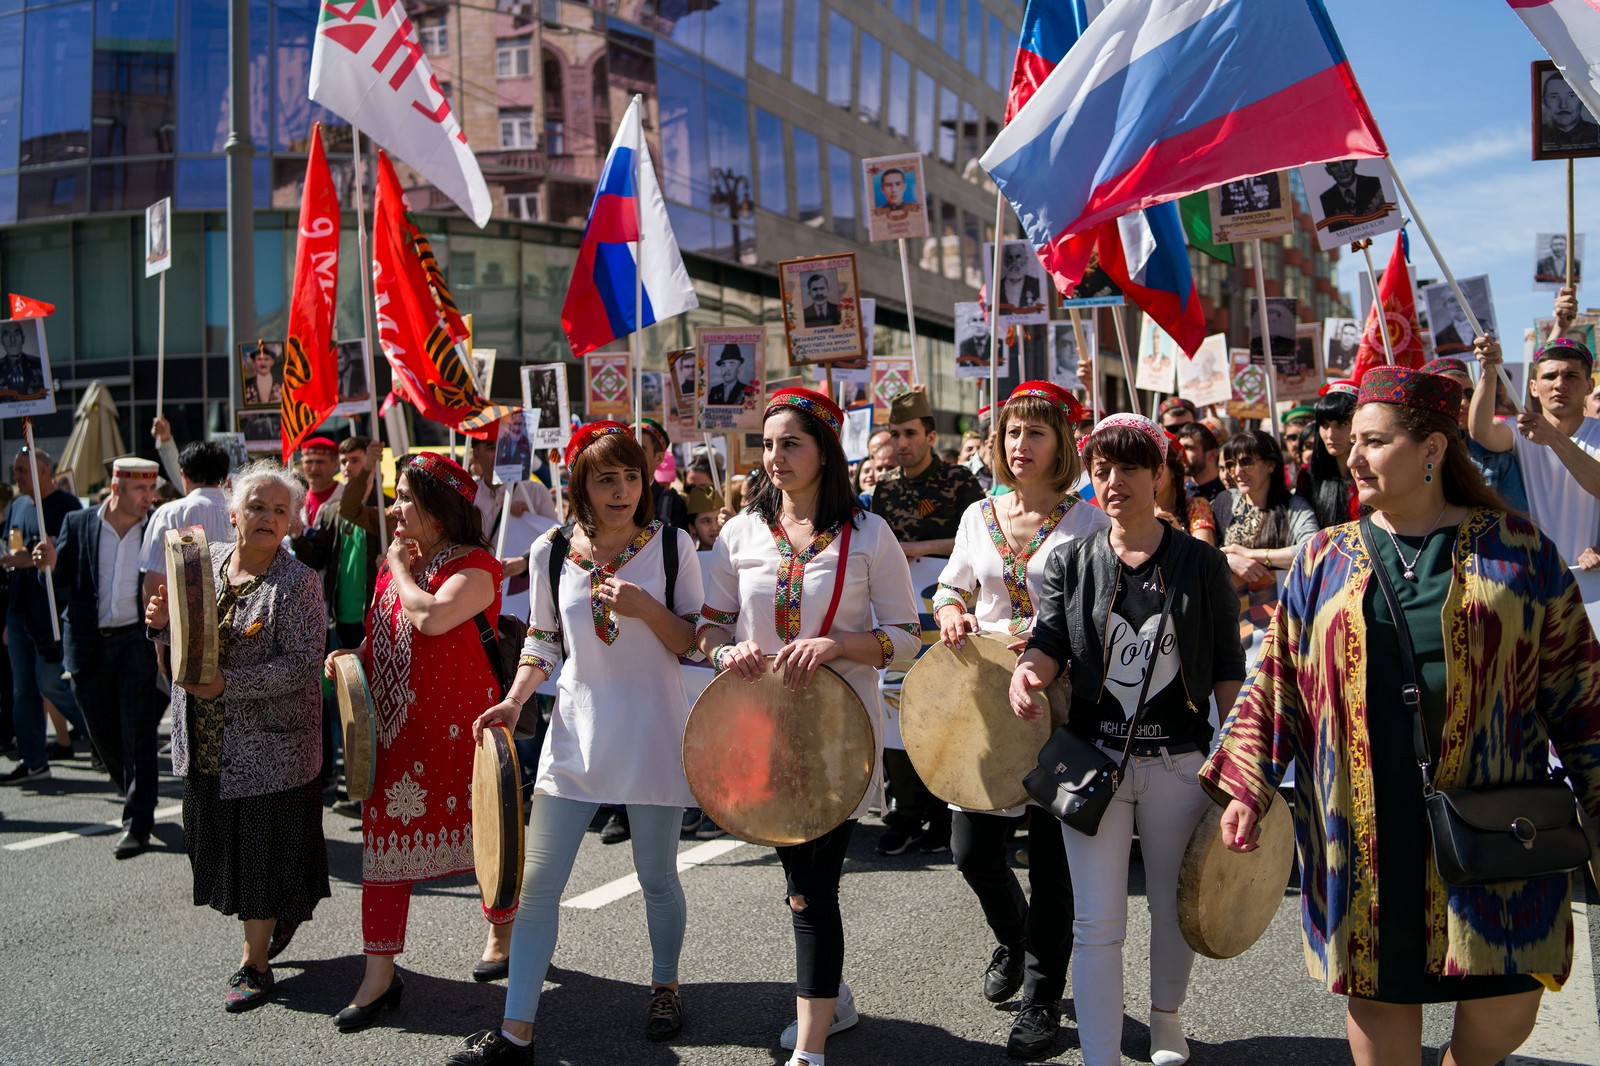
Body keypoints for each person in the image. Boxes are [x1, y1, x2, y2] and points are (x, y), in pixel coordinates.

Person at [1199, 365, 1600, 1066]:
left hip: (1495, 818)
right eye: (1350, 442)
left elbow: (1580, 691)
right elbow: (1277, 683)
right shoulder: (1326, 557)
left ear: (1433, 451)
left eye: (1372, 441)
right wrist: (1246, 786)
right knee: (1383, 993)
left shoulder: (1521, 551)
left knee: (1507, 1005)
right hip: (1363, 825)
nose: (1349, 457)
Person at [446, 422, 703, 1066]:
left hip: (652, 733)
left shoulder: (673, 547)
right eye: (605, 478)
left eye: (632, 476)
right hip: (575, 736)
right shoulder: (552, 551)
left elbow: (690, 640)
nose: (622, 491)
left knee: (656, 877)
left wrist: (646, 606)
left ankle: (665, 985)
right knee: (537, 886)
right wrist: (514, 697)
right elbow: (542, 640)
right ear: (580, 485)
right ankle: (516, 1032)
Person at [1009, 413, 1245, 1066]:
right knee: (1096, 924)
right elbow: (1051, 638)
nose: (1115, 482)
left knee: (1174, 908)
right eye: (1103, 470)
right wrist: (1029, 672)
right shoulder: (1071, 559)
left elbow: (1228, 663)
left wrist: (1241, 756)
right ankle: (1101, 1055)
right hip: (1092, 763)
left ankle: (1166, 1020)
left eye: (1131, 468)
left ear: (1160, 473)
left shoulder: (1199, 561)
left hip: (1180, 762)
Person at [697, 387, 922, 1066]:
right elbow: (708, 624)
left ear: (825, 449)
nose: (775, 457)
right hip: (759, 737)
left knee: (810, 889)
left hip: (838, 740)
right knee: (797, 883)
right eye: (767, 444)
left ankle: (813, 1050)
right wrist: (723, 649)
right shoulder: (740, 532)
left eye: (790, 442)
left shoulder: (869, 534)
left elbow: (909, 637)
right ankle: (834, 999)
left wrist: (838, 645)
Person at [932, 381, 1110, 1059]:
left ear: (1062, 443)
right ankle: (1014, 936)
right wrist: (950, 607)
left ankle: (1041, 999)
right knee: (971, 849)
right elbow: (954, 583)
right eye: (1011, 432)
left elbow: (1098, 625)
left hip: (1063, 711)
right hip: (987, 706)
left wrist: (1048, 654)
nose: (1020, 445)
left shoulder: (1091, 524)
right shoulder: (980, 513)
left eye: (1036, 432)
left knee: (1055, 862)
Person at [325, 452, 514, 1032]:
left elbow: (430, 618)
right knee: (384, 852)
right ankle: (379, 975)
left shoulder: (478, 566)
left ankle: (500, 931)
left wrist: (398, 568)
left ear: (439, 509)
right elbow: (385, 638)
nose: (395, 507)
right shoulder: (396, 566)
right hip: (397, 734)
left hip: (465, 732)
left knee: (491, 837)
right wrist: (351, 659)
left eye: (406, 497)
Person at [144, 461, 330, 1011]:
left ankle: (254, 962)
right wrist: (159, 623)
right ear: (232, 515)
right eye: (257, 507)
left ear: (292, 522)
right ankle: (276, 914)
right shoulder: (206, 567)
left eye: (280, 510)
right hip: (205, 743)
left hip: (270, 750)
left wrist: (229, 684)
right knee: (217, 846)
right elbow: (179, 649)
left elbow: (301, 666)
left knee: (258, 857)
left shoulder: (298, 585)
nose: (269, 517)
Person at [870, 389, 984, 854]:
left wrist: (921, 548)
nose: (901, 442)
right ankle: (907, 810)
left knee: (946, 705)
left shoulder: (959, 483)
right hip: (900, 615)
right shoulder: (886, 489)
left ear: (931, 436)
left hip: (948, 612)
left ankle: (942, 810)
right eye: (895, 434)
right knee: (894, 703)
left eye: (910, 434)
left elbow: (978, 543)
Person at [33, 458, 160, 857]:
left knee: (138, 731)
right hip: (89, 641)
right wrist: (49, 565)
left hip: (136, 641)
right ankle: (136, 793)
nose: (148, 498)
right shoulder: (80, 522)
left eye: (151, 489)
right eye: (140, 490)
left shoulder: (156, 526)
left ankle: (138, 821)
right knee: (102, 733)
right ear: (117, 487)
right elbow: (62, 577)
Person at [289, 437, 386, 801]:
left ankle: (373, 777)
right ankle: (342, 774)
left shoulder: (384, 504)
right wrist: (298, 536)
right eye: (343, 461)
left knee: (373, 701)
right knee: (337, 702)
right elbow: (317, 559)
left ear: (372, 463)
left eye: (354, 460)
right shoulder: (331, 511)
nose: (347, 466)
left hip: (372, 618)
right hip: (338, 620)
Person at [0, 448, 87, 786]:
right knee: (23, 688)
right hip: (19, 609)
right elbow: (11, 544)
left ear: (45, 472)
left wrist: (41, 559)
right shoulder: (19, 506)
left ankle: (99, 734)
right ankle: (33, 758)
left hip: (52, 611)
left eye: (23, 470)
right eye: (15, 470)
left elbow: (74, 558)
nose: (17, 477)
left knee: (50, 681)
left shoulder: (67, 506)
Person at [1213, 430, 1318, 663]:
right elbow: (1203, 552)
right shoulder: (1224, 502)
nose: (1237, 472)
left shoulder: (1293, 505)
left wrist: (1252, 555)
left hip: (1282, 619)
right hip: (1231, 620)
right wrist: (1229, 559)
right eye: (1232, 464)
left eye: (1247, 462)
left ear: (1270, 465)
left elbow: (1312, 549)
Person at [1423, 355, 1529, 513]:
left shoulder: (1498, 460)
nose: (1464, 403)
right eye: (1452, 395)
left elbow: (1518, 528)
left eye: (1469, 394)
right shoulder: (1411, 459)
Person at [1297, 381, 1360, 529]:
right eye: (1325, 425)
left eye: (1341, 424)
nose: (1330, 435)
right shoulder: (1308, 475)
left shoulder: (1374, 473)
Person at [1158, 435, 1217, 546]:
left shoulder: (1196, 506)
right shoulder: (1133, 509)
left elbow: (1205, 558)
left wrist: (1178, 532)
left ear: (1173, 472)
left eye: (1156, 468)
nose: (1149, 475)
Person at [635, 419, 691, 533]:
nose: (632, 454)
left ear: (659, 458)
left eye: (640, 449)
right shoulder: (613, 498)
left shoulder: (672, 503)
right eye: (628, 447)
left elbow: (677, 548)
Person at [1540, 69, 1600, 151]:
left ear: (1582, 99)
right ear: (1544, 101)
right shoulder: (1540, 136)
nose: (1563, 105)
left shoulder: (1596, 133)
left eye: (1571, 96)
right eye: (1554, 97)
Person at [1318, 160, 1385, 231]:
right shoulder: (1324, 201)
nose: (1343, 169)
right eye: (1335, 165)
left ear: (1355, 162)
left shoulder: (1377, 185)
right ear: (1328, 171)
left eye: (1346, 162)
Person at [297, 437, 342, 529]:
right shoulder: (296, 500)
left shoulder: (346, 497)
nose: (314, 468)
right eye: (309, 462)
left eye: (320, 462)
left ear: (335, 465)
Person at [1173, 422, 1223, 502]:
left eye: (1188, 448)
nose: (1181, 454)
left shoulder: (1225, 497)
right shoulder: (1179, 492)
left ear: (1212, 454)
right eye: (1180, 448)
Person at [0, 322, 46, 399]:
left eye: (17, 334)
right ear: (2, 341)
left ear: (23, 339)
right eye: (7, 335)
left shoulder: (39, 364)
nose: (12, 340)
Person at [997, 244, 1042, 315]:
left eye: (1018, 257)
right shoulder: (997, 287)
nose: (1014, 262)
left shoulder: (1036, 285)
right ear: (1005, 261)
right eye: (1010, 258)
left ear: (1025, 260)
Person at [242, 341, 282, 406]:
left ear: (272, 362)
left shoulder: (281, 383)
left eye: (266, 359)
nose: (263, 363)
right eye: (259, 359)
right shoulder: (246, 384)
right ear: (254, 362)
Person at [685, 484, 723, 551]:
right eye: (706, 521)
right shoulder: (689, 560)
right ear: (692, 527)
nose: (715, 528)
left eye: (719, 519)